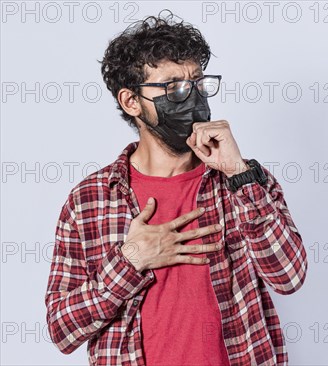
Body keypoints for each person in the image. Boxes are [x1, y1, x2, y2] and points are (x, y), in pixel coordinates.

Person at [44, 11, 308, 366]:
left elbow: (288, 277)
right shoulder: (90, 200)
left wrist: (238, 173)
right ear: (131, 101)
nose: (193, 97)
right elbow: (62, 330)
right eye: (174, 87)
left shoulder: (244, 181)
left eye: (198, 82)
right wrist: (131, 260)